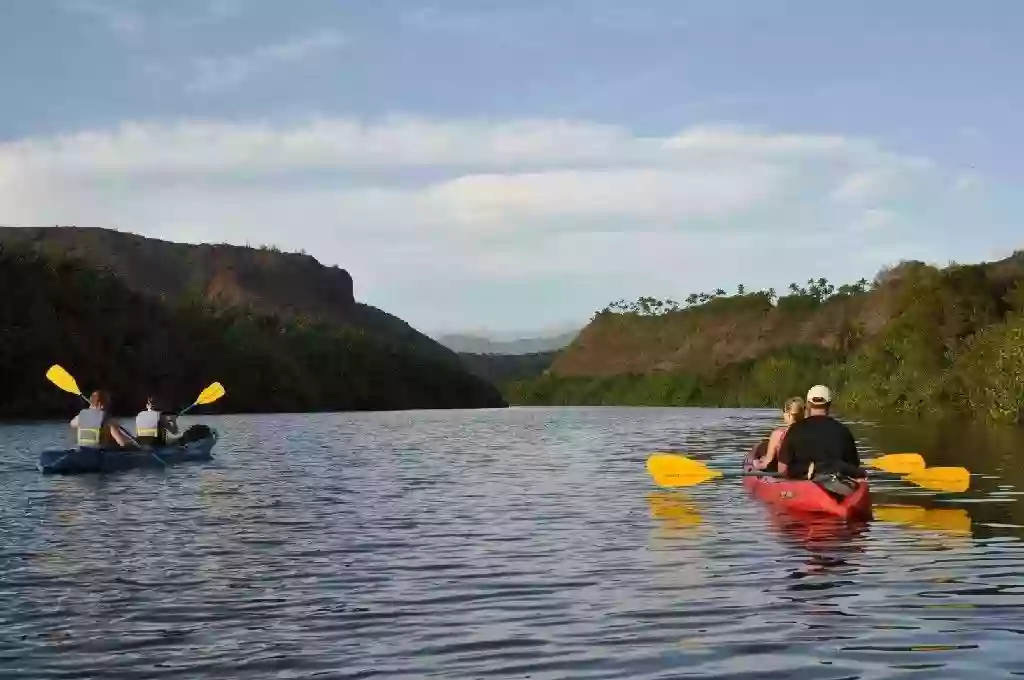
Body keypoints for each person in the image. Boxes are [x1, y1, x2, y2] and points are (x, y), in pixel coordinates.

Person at [776, 384, 863, 480]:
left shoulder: (794, 429)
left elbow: (782, 469)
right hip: (836, 484)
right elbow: (854, 467)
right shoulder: (844, 431)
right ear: (830, 403)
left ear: (808, 404)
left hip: (802, 484)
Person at [751, 396, 806, 472]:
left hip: (785, 472)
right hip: (802, 471)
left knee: (760, 447)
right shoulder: (809, 432)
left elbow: (767, 462)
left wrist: (756, 464)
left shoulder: (778, 434)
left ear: (788, 414)